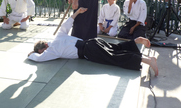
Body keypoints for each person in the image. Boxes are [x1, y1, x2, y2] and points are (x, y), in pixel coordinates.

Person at [28, 7, 158, 76]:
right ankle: (135, 41)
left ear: (44, 47)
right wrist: (77, 12)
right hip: (92, 42)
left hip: (88, 51)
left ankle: (147, 60)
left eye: (41, 51)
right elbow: (67, 23)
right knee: (115, 48)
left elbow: (39, 58)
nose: (43, 53)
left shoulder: (52, 51)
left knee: (115, 57)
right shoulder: (59, 37)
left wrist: (31, 54)